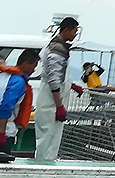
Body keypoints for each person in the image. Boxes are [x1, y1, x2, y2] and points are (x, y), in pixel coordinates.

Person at [34, 17, 84, 160]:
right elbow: (54, 80)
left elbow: (55, 74)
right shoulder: (57, 51)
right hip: (50, 104)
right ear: (66, 30)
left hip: (50, 101)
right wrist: (59, 106)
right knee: (48, 139)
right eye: (74, 31)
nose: (75, 35)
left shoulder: (56, 46)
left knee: (49, 137)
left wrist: (71, 85)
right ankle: (43, 169)